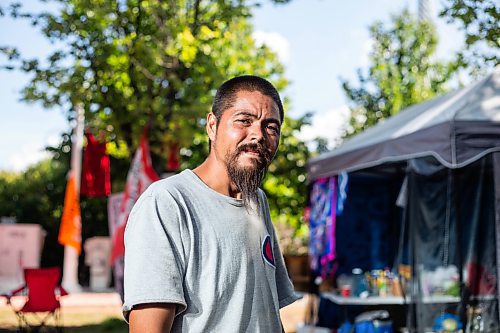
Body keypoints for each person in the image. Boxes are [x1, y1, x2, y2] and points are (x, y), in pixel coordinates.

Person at [123, 75, 300, 332]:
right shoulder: (167, 203)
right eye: (244, 120)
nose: (258, 135)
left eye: (271, 127)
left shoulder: (257, 201)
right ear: (212, 126)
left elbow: (268, 310)